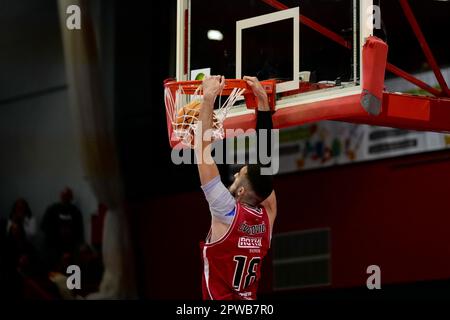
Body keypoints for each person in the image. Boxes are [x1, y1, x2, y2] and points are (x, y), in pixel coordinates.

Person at [196, 75, 277, 300]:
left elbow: (203, 155)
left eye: (239, 173)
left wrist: (208, 98)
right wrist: (263, 104)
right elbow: (265, 167)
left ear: (241, 191)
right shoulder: (265, 219)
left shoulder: (229, 212)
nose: (234, 174)